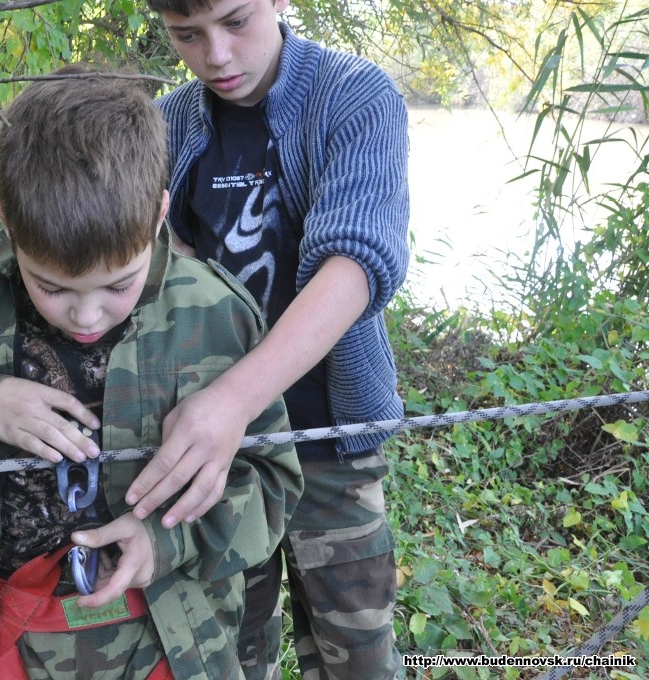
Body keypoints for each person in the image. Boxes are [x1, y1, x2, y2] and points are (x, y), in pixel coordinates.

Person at [0, 64, 303, 680]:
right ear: (8, 220)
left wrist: (166, 541)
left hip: (173, 643)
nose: (86, 316)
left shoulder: (215, 313)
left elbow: (272, 481)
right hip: (14, 635)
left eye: (118, 285)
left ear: (159, 214)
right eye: (52, 287)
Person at [123, 1, 411, 679]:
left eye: (236, 22)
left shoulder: (353, 95)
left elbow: (354, 265)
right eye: (186, 35)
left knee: (359, 655)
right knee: (229, 654)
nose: (216, 55)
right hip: (217, 462)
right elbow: (146, 269)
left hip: (329, 445)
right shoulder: (166, 124)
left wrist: (233, 401)